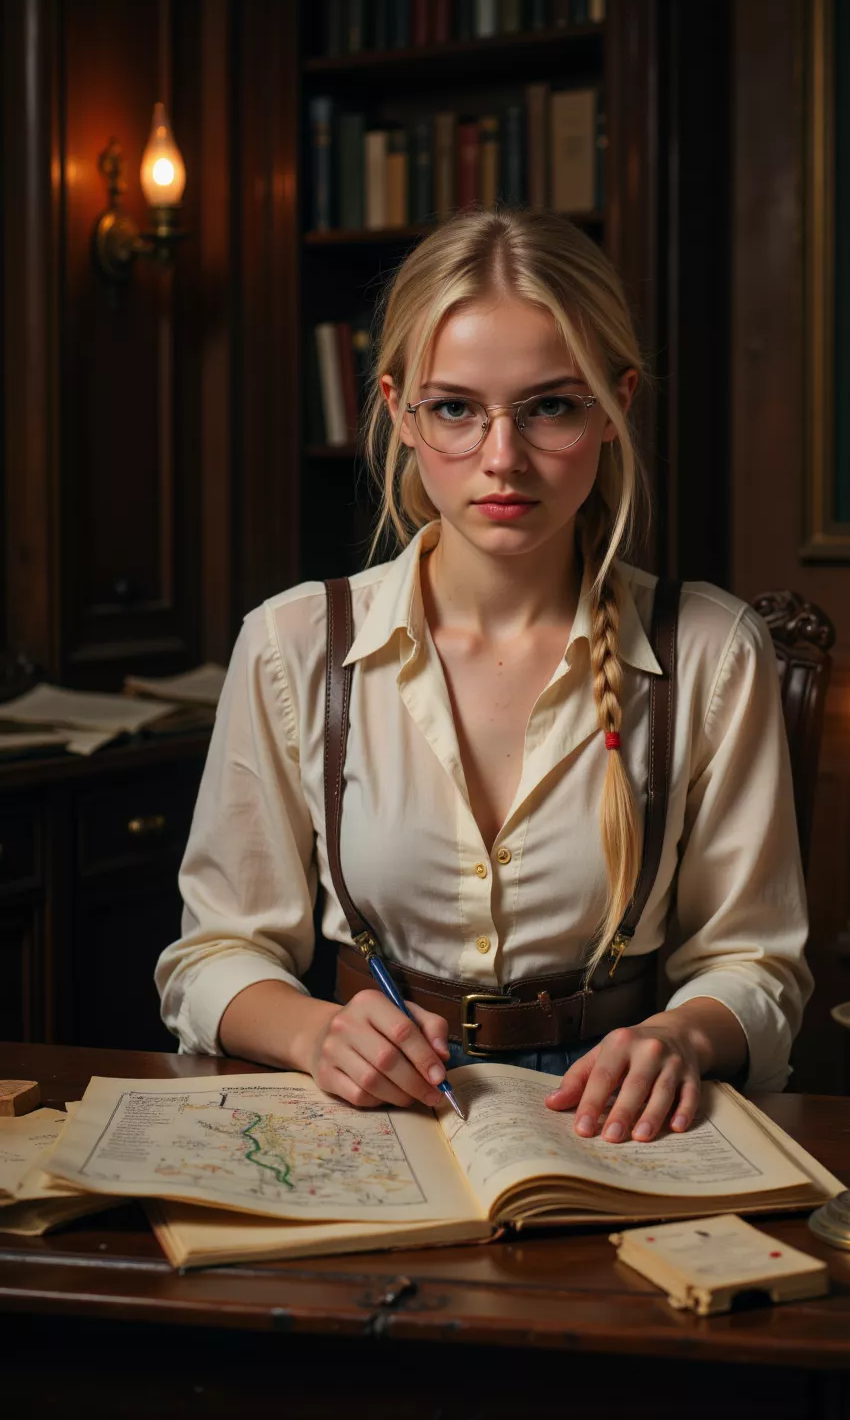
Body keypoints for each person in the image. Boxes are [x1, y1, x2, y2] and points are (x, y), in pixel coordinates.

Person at [157, 209, 811, 1145]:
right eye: (456, 409)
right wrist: (316, 1034)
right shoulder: (293, 645)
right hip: (371, 1116)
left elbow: (757, 965)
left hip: (614, 1126)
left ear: (615, 405)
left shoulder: (712, 650)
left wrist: (681, 1038)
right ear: (399, 411)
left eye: (551, 406)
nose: (502, 459)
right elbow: (212, 955)